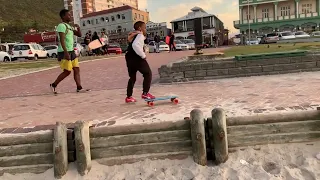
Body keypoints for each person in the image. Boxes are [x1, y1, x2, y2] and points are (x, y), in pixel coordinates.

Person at [50, 9, 86, 93]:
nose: (70, 16)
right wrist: (66, 53)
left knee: (76, 69)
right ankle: (53, 85)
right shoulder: (61, 26)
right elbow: (62, 40)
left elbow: (79, 34)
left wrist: (78, 27)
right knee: (67, 71)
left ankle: (79, 87)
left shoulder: (69, 26)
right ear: (63, 16)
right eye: (68, 15)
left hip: (71, 51)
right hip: (64, 52)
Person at [125, 21, 154, 103]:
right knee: (148, 73)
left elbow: (132, 43)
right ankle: (145, 93)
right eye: (145, 28)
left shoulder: (133, 35)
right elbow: (135, 45)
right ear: (140, 28)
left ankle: (129, 97)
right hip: (136, 57)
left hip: (129, 57)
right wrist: (143, 55)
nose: (146, 29)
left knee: (132, 77)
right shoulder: (140, 35)